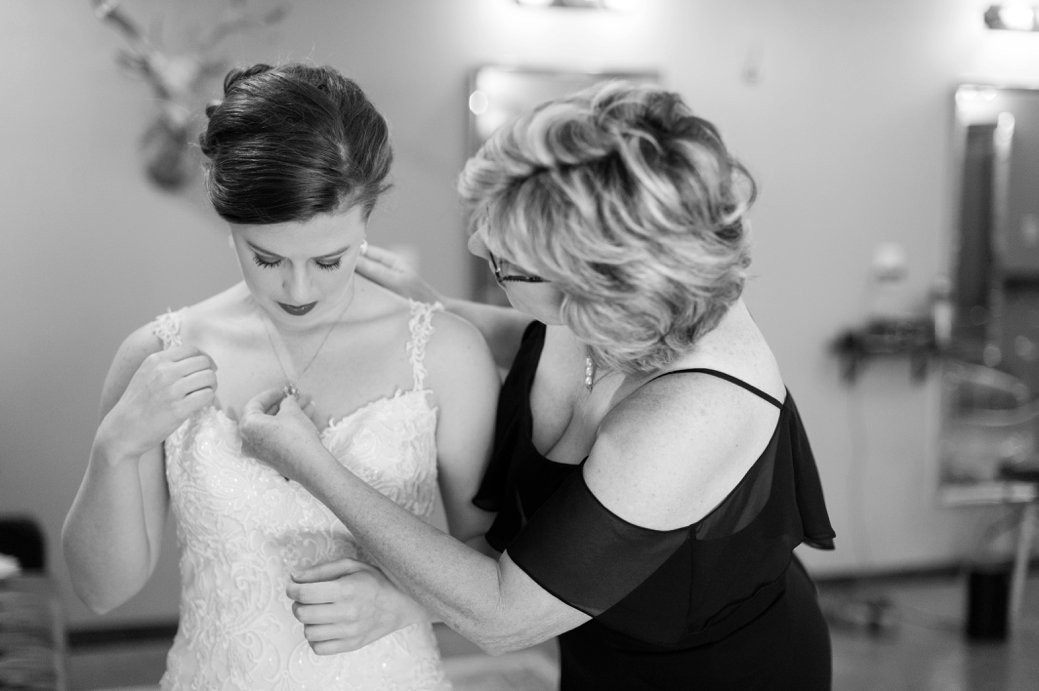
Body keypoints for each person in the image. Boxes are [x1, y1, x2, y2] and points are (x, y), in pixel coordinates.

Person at [240, 79, 837, 690]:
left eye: (502, 259)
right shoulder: (609, 311)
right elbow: (536, 340)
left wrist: (315, 466)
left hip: (716, 673)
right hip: (596, 654)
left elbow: (504, 615)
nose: (476, 245)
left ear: (592, 285)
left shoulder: (694, 414)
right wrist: (436, 308)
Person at [62, 62, 501, 689]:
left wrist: (407, 604)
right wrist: (114, 448)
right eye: (266, 258)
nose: (298, 289)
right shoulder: (158, 356)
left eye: (329, 259)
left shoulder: (446, 353)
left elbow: (492, 563)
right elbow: (100, 593)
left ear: (367, 217)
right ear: (230, 224)